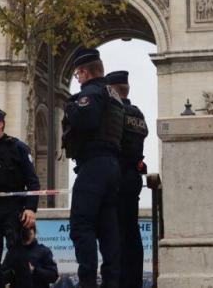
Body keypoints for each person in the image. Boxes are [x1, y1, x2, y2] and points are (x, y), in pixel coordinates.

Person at [62, 48, 124, 288]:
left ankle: (87, 282)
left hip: (94, 166)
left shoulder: (91, 93)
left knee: (81, 225)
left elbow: (85, 120)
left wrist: (70, 106)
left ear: (85, 72)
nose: (78, 79)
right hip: (112, 167)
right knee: (108, 229)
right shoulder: (113, 94)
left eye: (78, 74)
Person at [0, 108, 40, 288]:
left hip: (13, 207)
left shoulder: (18, 147)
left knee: (17, 255)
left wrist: (31, 208)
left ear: (0, 124)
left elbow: (33, 182)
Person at [105, 71, 147, 288]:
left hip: (116, 178)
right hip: (133, 178)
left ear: (112, 89)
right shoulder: (138, 114)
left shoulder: (115, 112)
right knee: (132, 233)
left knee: (116, 233)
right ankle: (135, 282)